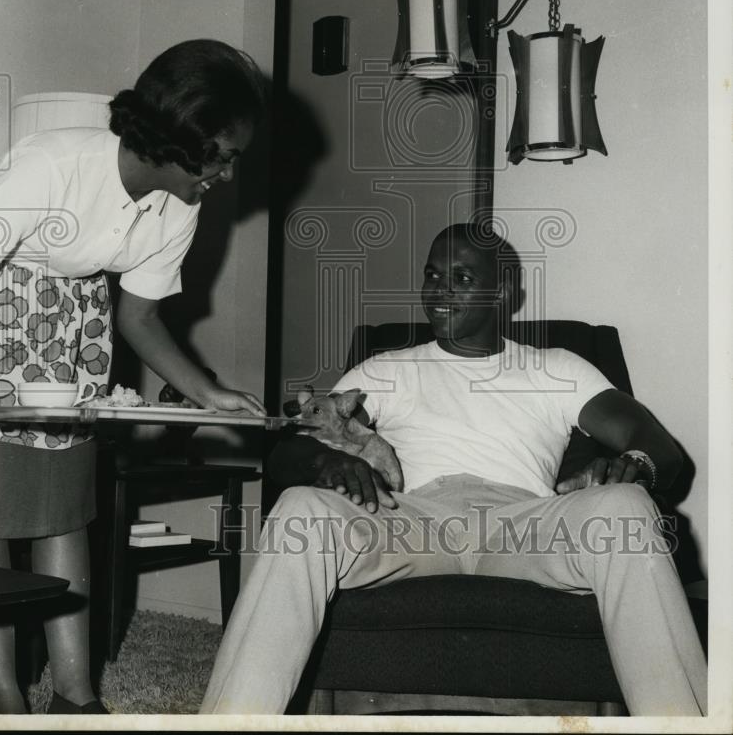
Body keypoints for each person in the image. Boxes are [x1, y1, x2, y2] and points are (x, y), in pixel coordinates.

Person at [200, 223, 707, 717]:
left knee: (626, 509)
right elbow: (286, 453)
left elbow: (659, 447)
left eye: (462, 279)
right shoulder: (385, 370)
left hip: (523, 523)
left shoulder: (558, 368)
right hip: (412, 519)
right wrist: (323, 458)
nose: (440, 290)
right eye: (432, 275)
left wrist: (632, 464)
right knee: (301, 509)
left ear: (502, 292)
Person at [0, 38, 267, 714]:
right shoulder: (54, 162)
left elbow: (142, 318)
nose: (229, 177)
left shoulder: (181, 208)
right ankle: (3, 690)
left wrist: (209, 393)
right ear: (189, 138)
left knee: (65, 508)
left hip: (73, 327)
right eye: (227, 156)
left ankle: (75, 692)